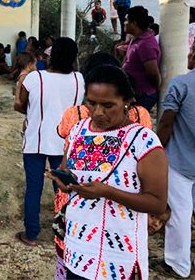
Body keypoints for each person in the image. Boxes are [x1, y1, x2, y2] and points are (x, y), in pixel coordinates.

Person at [47, 65, 168, 280]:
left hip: (120, 259)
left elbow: (157, 203)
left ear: (127, 101)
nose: (98, 112)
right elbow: (67, 169)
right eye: (91, 103)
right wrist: (65, 181)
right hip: (78, 250)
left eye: (108, 105)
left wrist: (108, 192)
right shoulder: (78, 131)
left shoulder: (143, 141)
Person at [156, 32, 195, 279]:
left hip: (180, 161)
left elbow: (166, 123)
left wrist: (157, 150)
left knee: (180, 213)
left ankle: (178, 265)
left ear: (193, 53)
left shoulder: (181, 84)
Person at [14, 37, 85, 246]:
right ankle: (65, 233)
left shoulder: (35, 78)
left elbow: (21, 104)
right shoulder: (79, 79)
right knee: (63, 187)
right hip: (65, 143)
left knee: (34, 187)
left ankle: (31, 234)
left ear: (50, 56)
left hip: (36, 139)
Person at [122, 6, 161, 111]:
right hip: (132, 92)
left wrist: (155, 89)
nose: (124, 23)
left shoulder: (145, 44)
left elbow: (153, 73)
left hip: (142, 94)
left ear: (134, 23)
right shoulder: (136, 38)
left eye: (126, 20)